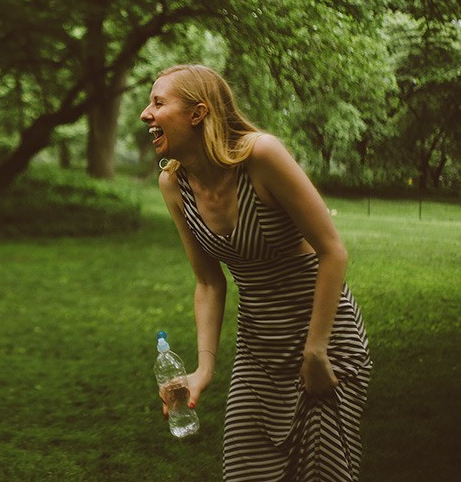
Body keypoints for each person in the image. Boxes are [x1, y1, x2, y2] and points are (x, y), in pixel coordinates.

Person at [140, 65, 371, 481]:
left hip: (324, 340)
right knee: (245, 471)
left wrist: (315, 350)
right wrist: (204, 369)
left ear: (198, 113)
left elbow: (333, 252)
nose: (145, 113)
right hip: (258, 350)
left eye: (158, 103)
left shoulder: (260, 156)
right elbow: (209, 281)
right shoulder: (174, 185)